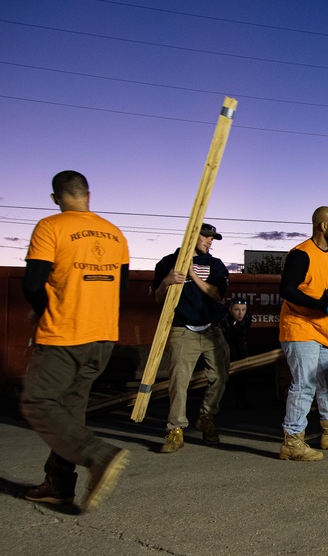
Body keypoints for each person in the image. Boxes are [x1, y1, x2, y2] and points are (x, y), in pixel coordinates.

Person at [20, 170, 130, 512]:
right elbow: (121, 288)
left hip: (65, 334)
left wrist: (43, 313)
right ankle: (59, 486)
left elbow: (33, 284)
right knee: (69, 412)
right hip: (103, 337)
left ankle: (99, 456)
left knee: (37, 402)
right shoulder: (115, 234)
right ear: (88, 194)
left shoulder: (51, 226)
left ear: (55, 198)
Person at [277, 207, 328, 461]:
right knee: (304, 384)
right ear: (323, 226)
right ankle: (292, 442)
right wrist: (319, 306)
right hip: (300, 325)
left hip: (323, 326)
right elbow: (287, 290)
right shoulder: (301, 254)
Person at [153, 223, 230, 452]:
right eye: (206, 237)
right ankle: (175, 430)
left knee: (220, 377)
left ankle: (207, 417)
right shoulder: (167, 263)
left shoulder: (215, 265)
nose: (210, 241)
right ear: (191, 236)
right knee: (179, 381)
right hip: (182, 330)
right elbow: (158, 299)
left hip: (210, 329)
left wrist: (192, 275)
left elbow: (216, 295)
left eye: (212, 238)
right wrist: (167, 282)